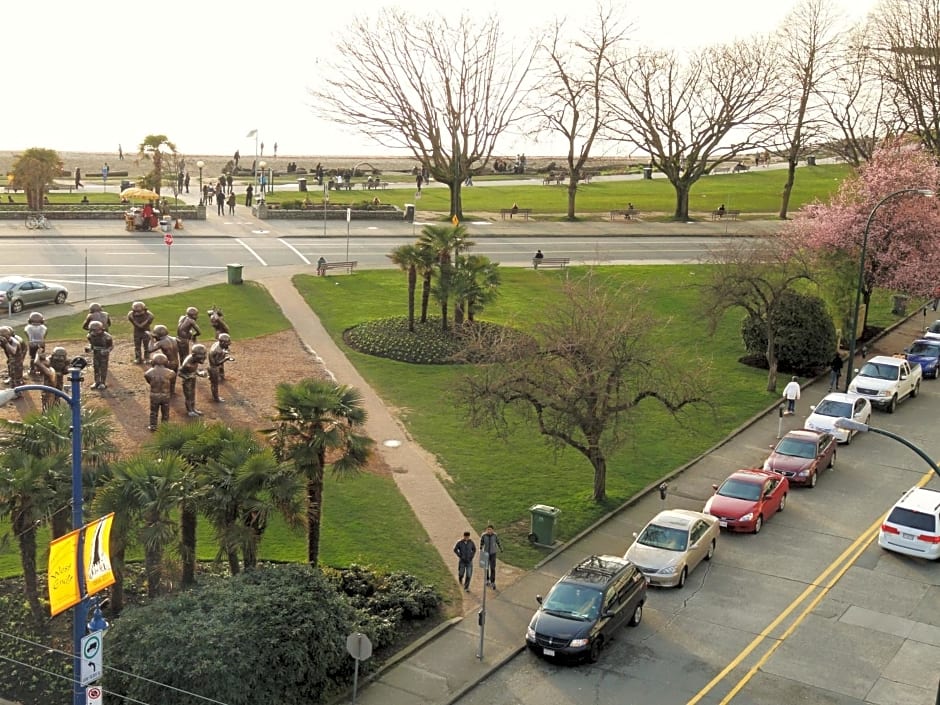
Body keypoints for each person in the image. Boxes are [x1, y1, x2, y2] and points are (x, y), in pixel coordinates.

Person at [144, 352, 176, 431]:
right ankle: (165, 426)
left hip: (154, 395)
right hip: (165, 395)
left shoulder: (148, 373)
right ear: (166, 362)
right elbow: (171, 380)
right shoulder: (170, 372)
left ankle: (153, 425)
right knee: (165, 412)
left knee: (153, 411)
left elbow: (149, 380)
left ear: (153, 362)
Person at [148, 324, 181, 395]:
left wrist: (151, 339)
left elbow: (150, 349)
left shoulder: (162, 342)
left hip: (168, 363)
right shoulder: (173, 338)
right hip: (176, 361)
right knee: (173, 377)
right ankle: (172, 391)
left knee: (165, 378)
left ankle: (166, 392)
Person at [179, 344, 208, 417]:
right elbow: (179, 372)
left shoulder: (195, 360)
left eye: (204, 354)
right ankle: (190, 411)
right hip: (187, 382)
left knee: (193, 395)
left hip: (192, 380)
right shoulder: (187, 364)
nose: (204, 357)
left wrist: (199, 373)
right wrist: (187, 377)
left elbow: (194, 369)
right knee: (188, 396)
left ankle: (193, 409)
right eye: (202, 355)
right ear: (194, 355)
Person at [86, 320, 113, 390]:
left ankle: (102, 382)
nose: (93, 333)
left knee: (103, 368)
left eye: (95, 331)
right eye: (92, 331)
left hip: (103, 354)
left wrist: (107, 350)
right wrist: (89, 348)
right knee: (96, 367)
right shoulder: (90, 336)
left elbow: (111, 346)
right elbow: (91, 344)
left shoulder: (107, 337)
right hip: (96, 353)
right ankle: (97, 381)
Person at [208, 333, 233, 402]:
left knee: (214, 382)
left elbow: (225, 348)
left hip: (213, 367)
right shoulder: (217, 351)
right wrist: (226, 359)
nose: (229, 343)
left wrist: (225, 352)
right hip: (214, 368)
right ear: (222, 342)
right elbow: (216, 363)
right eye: (228, 342)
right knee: (215, 384)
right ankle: (216, 398)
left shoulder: (218, 344)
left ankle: (215, 396)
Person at [480, 525, 503, 589]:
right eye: (488, 529)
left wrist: (501, 549)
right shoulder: (484, 535)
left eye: (490, 529)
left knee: (492, 568)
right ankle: (487, 580)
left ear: (493, 530)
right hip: (486, 553)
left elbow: (498, 542)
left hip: (493, 553)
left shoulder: (495, 535)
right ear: (486, 530)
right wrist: (481, 549)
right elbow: (481, 543)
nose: (489, 531)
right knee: (486, 568)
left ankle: (492, 581)